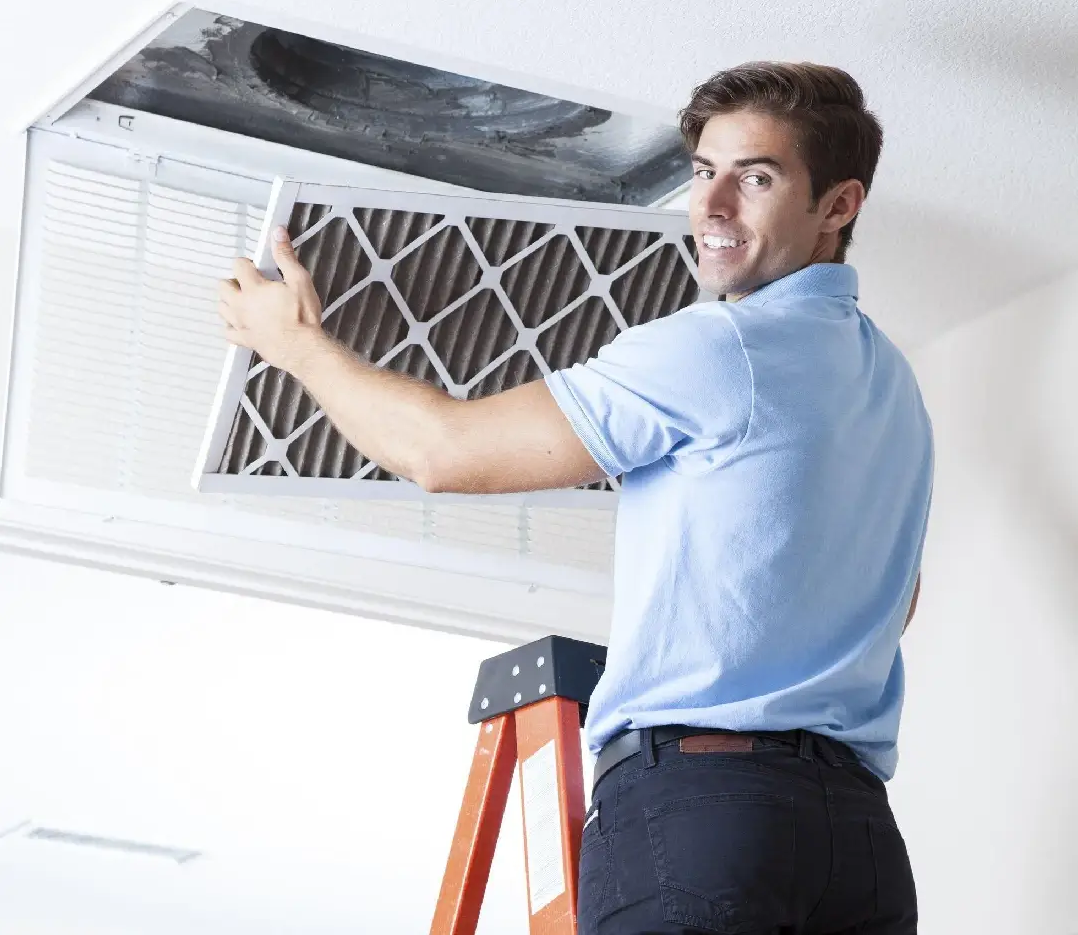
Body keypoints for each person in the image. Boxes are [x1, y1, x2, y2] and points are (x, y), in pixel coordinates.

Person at [219, 61, 932, 934]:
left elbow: (446, 452)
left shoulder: (719, 350)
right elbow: (896, 602)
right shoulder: (893, 387)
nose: (708, 208)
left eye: (755, 178)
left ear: (839, 204)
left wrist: (294, 347)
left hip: (710, 815)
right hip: (860, 849)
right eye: (704, 172)